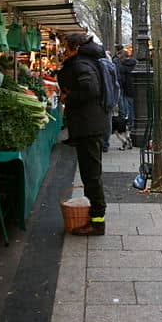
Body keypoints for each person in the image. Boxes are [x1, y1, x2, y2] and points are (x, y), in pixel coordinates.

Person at [57, 33, 107, 235]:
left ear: (75, 47)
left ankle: (97, 222)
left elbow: (90, 89)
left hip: (88, 126)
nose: (64, 51)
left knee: (91, 174)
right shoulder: (86, 61)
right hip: (89, 124)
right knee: (91, 173)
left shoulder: (81, 64)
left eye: (66, 47)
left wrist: (68, 97)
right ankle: (95, 217)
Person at [117, 49, 137, 131]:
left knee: (129, 107)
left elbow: (122, 80)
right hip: (137, 88)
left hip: (127, 89)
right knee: (135, 107)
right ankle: (135, 123)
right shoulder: (135, 63)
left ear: (123, 58)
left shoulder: (122, 66)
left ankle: (131, 124)